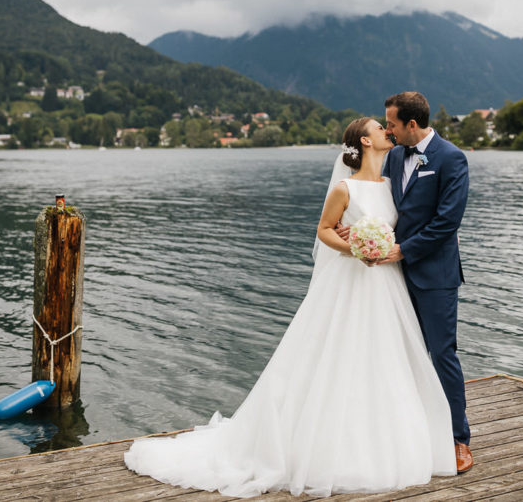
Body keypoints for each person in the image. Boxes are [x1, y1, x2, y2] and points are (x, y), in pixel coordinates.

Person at [123, 117, 456, 498]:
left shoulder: (391, 184)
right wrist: (356, 248)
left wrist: (383, 245)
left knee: (385, 357)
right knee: (337, 354)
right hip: (353, 280)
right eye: (380, 128)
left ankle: (389, 436)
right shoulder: (344, 188)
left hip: (387, 283)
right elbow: (324, 230)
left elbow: (406, 222)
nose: (387, 132)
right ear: (365, 140)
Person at [376, 91, 473, 473]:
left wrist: (402, 250)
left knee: (442, 354)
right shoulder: (394, 155)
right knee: (404, 354)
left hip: (435, 276)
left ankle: (458, 439)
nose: (388, 129)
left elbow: (447, 223)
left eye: (392, 124)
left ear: (411, 125)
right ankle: (413, 430)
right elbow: (386, 206)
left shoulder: (452, 159)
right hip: (394, 275)